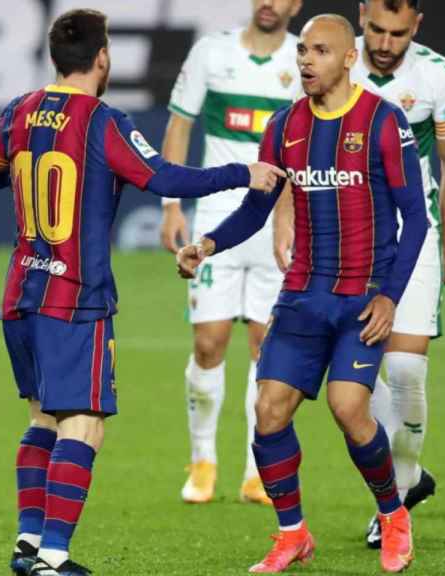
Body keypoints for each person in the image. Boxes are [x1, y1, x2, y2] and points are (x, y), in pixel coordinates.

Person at [0, 9, 284, 576]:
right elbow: (166, 177)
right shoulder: (103, 121)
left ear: (54, 58)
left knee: (42, 417)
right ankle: (52, 555)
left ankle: (27, 544)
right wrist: (244, 172)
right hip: (75, 295)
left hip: (21, 289)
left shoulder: (17, 111)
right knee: (85, 423)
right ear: (102, 58)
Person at [177, 14, 428, 573]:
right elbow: (257, 209)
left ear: (347, 58)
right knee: (268, 410)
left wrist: (389, 296)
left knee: (348, 407)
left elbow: (417, 218)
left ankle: (393, 514)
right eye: (303, 51)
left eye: (319, 51)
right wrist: (209, 243)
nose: (305, 60)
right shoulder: (283, 127)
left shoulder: (384, 122)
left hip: (361, 296)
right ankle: (292, 533)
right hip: (302, 295)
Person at [274, 0, 445, 547]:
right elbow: (297, 145)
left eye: (398, 33)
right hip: (345, 246)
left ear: (417, 27)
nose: (386, 43)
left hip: (412, 234)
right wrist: (284, 220)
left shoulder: (439, 76)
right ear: (362, 21)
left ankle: (403, 484)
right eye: (377, 30)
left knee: (406, 369)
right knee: (355, 386)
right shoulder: (330, 59)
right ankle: (400, 489)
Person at [159, 0, 303, 506]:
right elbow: (179, 123)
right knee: (208, 344)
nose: (269, 3)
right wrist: (172, 203)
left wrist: (293, 217)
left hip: (275, 228)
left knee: (268, 349)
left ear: (296, 5)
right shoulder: (211, 53)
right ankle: (202, 459)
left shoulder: (304, 58)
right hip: (216, 222)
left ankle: (254, 469)